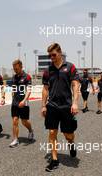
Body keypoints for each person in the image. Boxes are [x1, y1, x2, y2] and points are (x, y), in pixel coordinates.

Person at [41, 43, 80, 172]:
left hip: (66, 106)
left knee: (68, 134)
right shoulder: (48, 70)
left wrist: (75, 103)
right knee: (52, 132)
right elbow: (45, 89)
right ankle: (54, 159)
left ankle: (71, 143)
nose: (51, 57)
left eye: (53, 55)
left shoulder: (70, 67)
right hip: (52, 105)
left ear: (60, 52)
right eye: (49, 55)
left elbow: (75, 85)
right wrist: (43, 105)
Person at [9, 59, 34, 148]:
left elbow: (29, 90)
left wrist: (24, 100)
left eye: (16, 68)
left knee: (24, 121)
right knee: (15, 120)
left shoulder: (27, 77)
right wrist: (13, 97)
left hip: (24, 103)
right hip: (15, 103)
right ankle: (15, 139)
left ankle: (30, 130)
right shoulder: (14, 77)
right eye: (14, 69)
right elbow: (13, 89)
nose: (15, 70)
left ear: (21, 67)